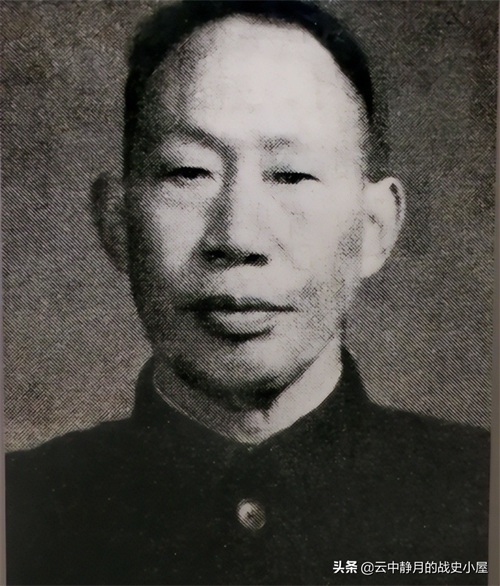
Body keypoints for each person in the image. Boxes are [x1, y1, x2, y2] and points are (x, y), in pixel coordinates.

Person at [5, 1, 490, 584]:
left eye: (291, 175)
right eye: (189, 172)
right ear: (117, 222)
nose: (237, 238)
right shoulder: (20, 509)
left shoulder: (479, 497)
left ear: (374, 228)